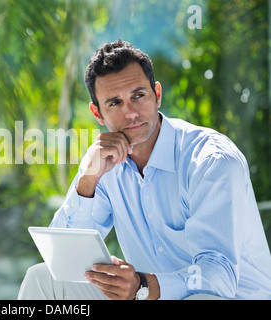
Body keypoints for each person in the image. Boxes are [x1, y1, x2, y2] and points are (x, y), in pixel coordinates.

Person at [17, 39, 271, 300]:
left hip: (224, 297)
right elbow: (63, 259)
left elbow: (218, 277)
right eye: (115, 103)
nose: (131, 114)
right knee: (42, 279)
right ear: (98, 113)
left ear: (157, 94)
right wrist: (88, 180)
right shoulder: (102, 161)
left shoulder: (210, 161)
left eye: (138, 96)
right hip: (145, 294)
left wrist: (141, 284)